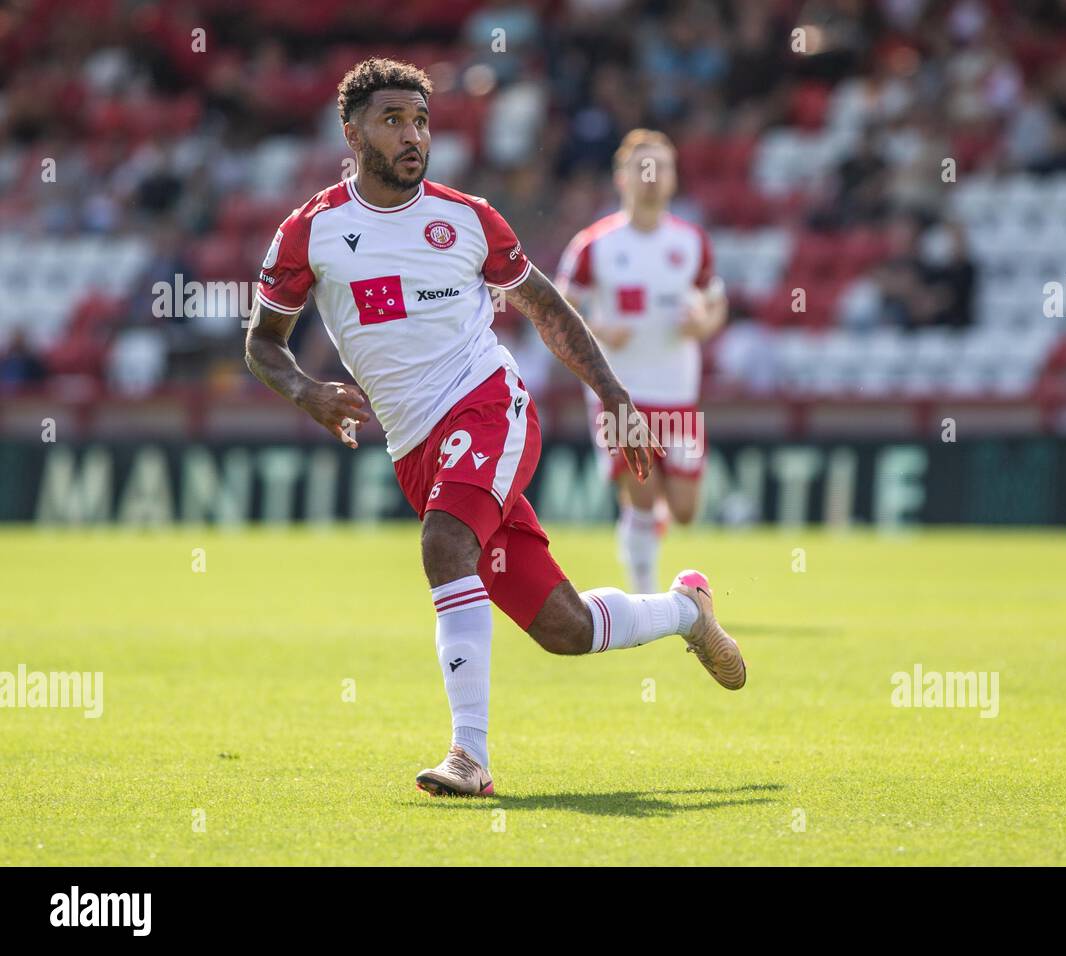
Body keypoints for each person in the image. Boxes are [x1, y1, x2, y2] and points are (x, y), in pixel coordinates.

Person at [243, 59, 746, 798]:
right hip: (414, 445)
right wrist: (305, 392)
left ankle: (468, 757)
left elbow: (546, 308)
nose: (413, 135)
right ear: (351, 133)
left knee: (445, 543)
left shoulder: (469, 218)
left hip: (489, 405)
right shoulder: (310, 232)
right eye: (392, 121)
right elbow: (262, 341)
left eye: (420, 120)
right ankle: (686, 610)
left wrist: (612, 395)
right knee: (563, 628)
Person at [556, 129, 727, 594]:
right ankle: (647, 589)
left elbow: (716, 304)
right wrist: (597, 327)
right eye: (642, 168)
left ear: (673, 178)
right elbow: (560, 307)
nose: (651, 178)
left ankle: (642, 534)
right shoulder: (595, 244)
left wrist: (702, 325)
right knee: (643, 493)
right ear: (622, 177)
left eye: (661, 168)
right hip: (620, 393)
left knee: (687, 509)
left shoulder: (691, 242)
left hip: (678, 392)